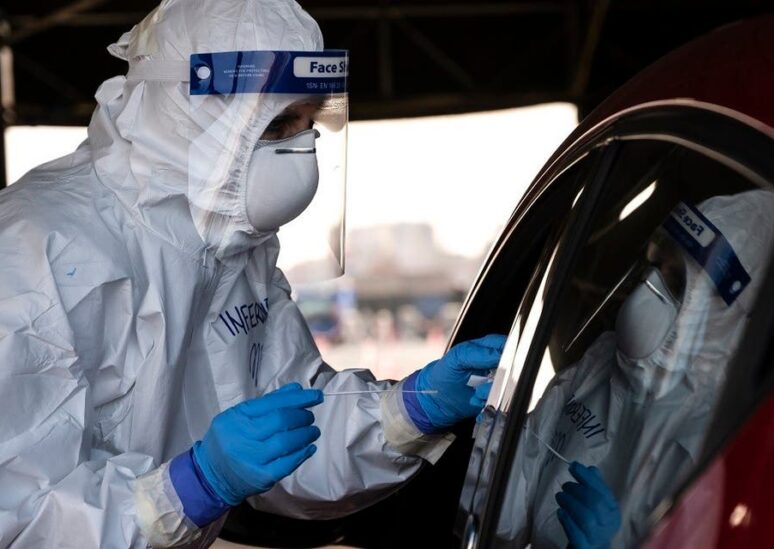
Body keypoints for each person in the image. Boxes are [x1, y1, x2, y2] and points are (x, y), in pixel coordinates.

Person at [0, 1, 505, 547]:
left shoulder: (232, 251)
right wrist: (189, 488)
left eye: (311, 123)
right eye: (280, 123)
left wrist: (406, 411)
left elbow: (290, 426)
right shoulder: (35, 246)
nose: (303, 147)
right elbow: (19, 512)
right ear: (186, 112)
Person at [492, 189, 774, 548]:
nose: (647, 291)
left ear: (727, 320)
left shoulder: (726, 439)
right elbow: (501, 508)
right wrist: (479, 430)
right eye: (657, 265)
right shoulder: (602, 361)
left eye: (678, 283)